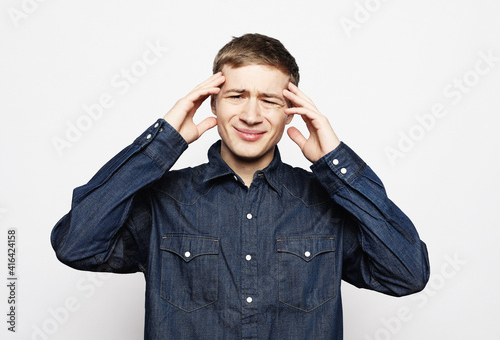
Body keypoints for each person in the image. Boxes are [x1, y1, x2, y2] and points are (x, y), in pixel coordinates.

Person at [51, 33, 430, 339]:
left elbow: (407, 273)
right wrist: (162, 144)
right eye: (236, 96)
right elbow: (75, 244)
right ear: (212, 104)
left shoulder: (325, 204)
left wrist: (334, 161)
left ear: (291, 112)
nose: (251, 115)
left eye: (270, 100)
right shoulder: (163, 200)